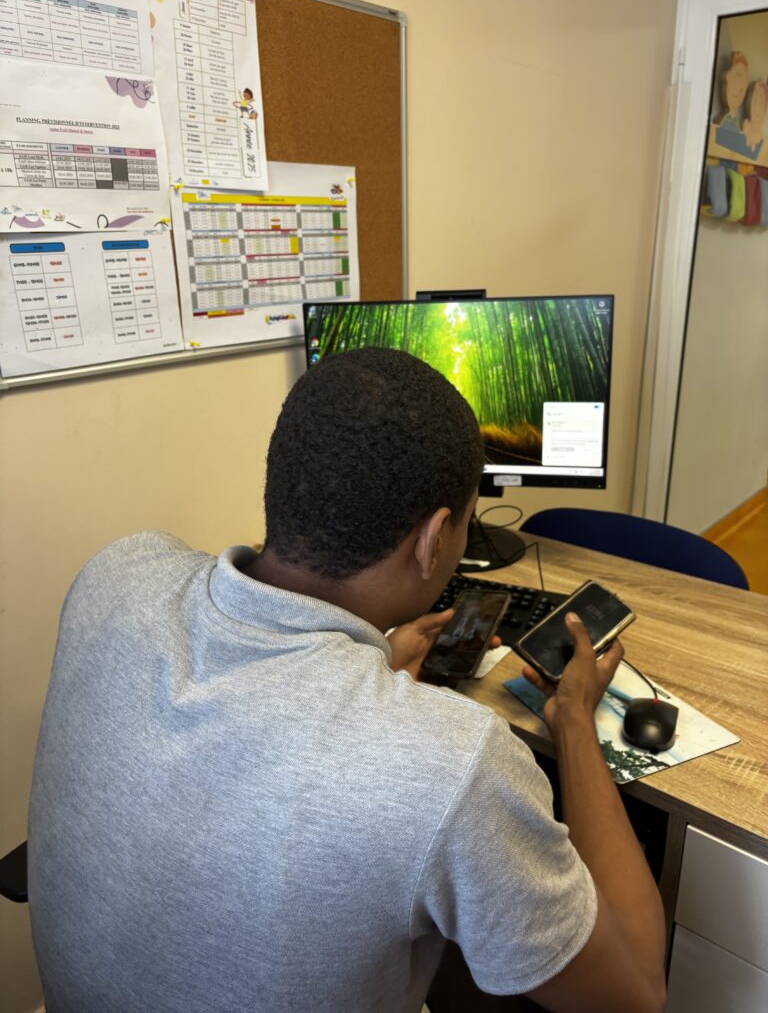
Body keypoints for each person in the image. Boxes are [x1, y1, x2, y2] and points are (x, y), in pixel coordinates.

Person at [28, 348, 666, 1013]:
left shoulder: (116, 576)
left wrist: (372, 675)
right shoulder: (454, 764)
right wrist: (573, 719)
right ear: (436, 537)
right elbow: (636, 995)